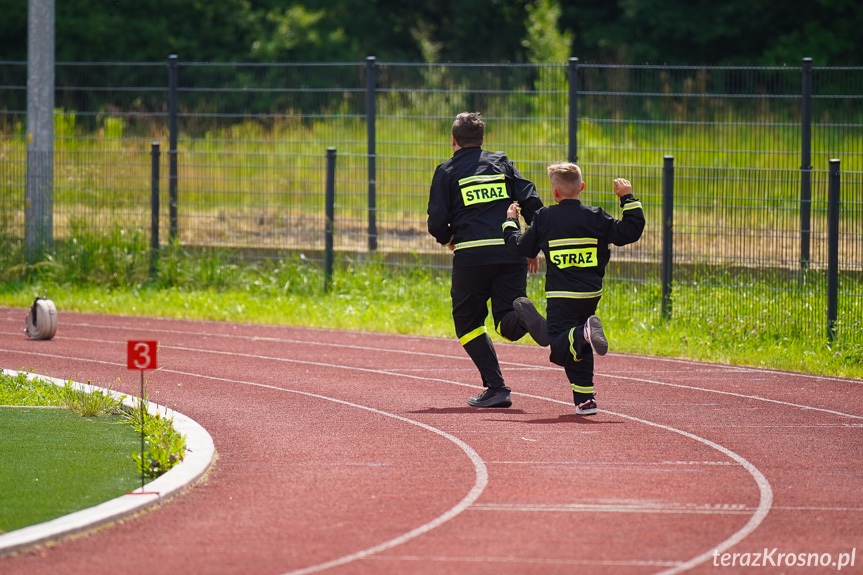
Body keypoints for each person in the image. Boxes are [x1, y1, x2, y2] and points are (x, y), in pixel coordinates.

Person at [502, 162, 645, 415]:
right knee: (578, 344)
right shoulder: (596, 216)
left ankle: (581, 332)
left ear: (554, 193)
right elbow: (630, 232)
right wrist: (627, 198)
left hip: (561, 296)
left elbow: (520, 248)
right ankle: (585, 399)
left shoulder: (544, 217)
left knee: (557, 342)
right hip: (590, 295)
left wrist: (511, 222)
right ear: (582, 187)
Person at [427, 111, 544, 408]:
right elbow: (532, 202)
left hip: (472, 254)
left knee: (467, 323)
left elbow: (437, 222)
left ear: (453, 141)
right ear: (483, 140)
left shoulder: (447, 171)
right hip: (511, 249)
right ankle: (522, 314)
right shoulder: (502, 163)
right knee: (506, 320)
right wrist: (531, 244)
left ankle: (497, 387)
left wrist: (448, 239)